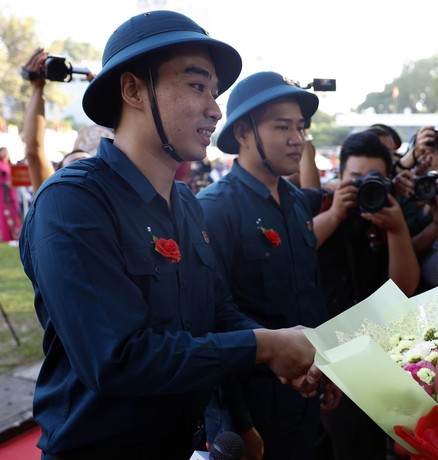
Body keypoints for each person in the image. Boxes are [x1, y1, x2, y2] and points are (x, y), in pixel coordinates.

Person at [19, 10, 322, 459]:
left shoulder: (184, 202)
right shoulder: (73, 203)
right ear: (133, 89)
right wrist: (263, 346)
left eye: (214, 92)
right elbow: (116, 357)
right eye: (196, 86)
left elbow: (217, 312)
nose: (214, 109)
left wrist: (281, 352)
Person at [197, 71, 338, 459]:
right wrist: (237, 424)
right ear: (242, 133)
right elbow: (211, 323)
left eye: (300, 127)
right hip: (249, 409)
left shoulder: (295, 202)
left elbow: (310, 297)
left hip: (302, 396)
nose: (298, 139)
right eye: (282, 127)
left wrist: (329, 367)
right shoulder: (214, 209)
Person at [304, 129, 419, 460]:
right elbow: (296, 254)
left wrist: (396, 229)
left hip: (369, 355)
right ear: (338, 177)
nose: (363, 186)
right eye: (354, 179)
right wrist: (335, 214)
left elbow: (403, 288)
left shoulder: (389, 215)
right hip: (315, 348)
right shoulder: (317, 204)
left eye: (374, 179)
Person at [21, 47, 94, 193]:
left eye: (88, 163)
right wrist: (37, 88)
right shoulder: (52, 195)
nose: (82, 169)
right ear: (56, 176)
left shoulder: (114, 200)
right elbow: (34, 153)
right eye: (74, 165)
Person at [0, 146, 21, 241]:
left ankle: (17, 235)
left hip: (12, 192)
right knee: (5, 214)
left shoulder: (10, 165)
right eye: (3, 153)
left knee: (15, 212)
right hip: (3, 193)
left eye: (6, 153)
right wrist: (4, 183)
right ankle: (7, 237)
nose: (5, 155)